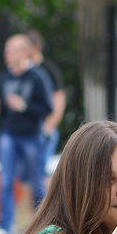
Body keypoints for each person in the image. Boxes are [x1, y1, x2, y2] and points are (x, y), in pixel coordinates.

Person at [0, 34, 55, 234]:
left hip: (32, 136)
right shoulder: (5, 77)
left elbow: (48, 107)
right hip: (8, 133)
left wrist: (24, 107)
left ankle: (41, 228)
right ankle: (4, 228)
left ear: (25, 52)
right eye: (6, 50)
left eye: (12, 50)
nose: (7, 54)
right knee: (6, 180)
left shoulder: (37, 76)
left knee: (37, 182)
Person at [28, 30, 66, 179]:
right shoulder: (25, 70)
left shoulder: (48, 69)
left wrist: (49, 125)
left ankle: (44, 202)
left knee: (40, 171)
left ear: (36, 47)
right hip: (28, 130)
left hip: (44, 128)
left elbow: (59, 99)